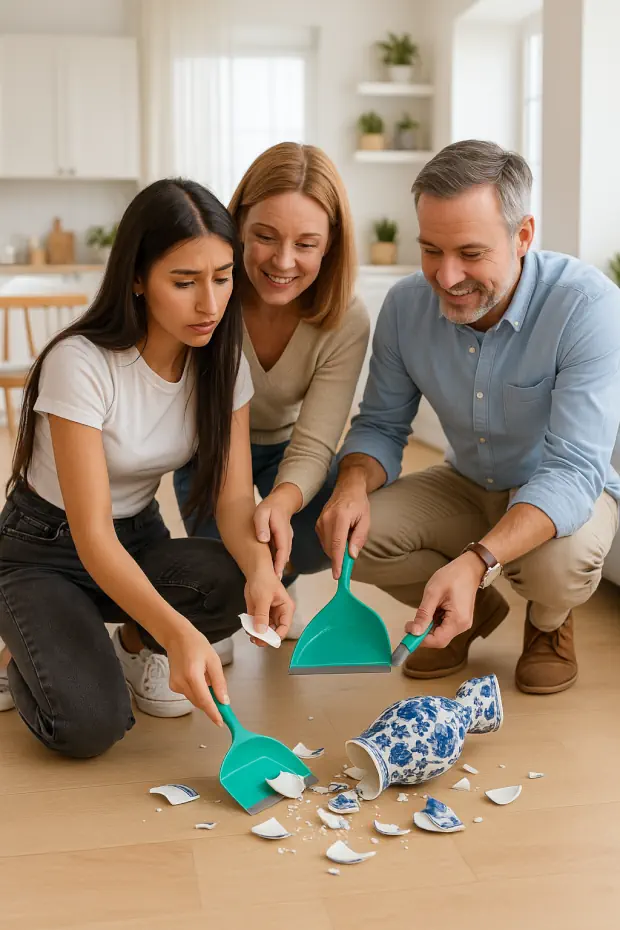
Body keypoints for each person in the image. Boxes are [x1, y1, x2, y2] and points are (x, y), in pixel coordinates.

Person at [0, 179, 293, 755]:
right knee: (87, 727)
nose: (209, 304)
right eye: (184, 283)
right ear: (137, 279)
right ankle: (22, 643)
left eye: (222, 277)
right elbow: (91, 535)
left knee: (233, 581)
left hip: (136, 537)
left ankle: (130, 646)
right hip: (44, 550)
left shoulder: (221, 362)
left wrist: (262, 570)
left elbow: (235, 502)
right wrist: (180, 634)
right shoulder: (80, 363)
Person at [317, 139, 620, 695]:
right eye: (430, 249)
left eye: (471, 253)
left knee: (563, 560)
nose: (446, 275)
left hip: (561, 489)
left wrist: (478, 559)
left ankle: (548, 624)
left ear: (523, 235)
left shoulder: (587, 306)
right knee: (351, 534)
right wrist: (352, 485)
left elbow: (577, 470)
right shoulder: (406, 307)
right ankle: (465, 612)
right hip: (466, 481)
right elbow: (381, 424)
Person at [174, 142, 370, 652]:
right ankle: (237, 593)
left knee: (317, 530)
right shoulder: (209, 291)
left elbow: (314, 442)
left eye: (306, 244)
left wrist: (281, 502)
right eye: (264, 237)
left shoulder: (346, 319)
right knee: (218, 569)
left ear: (331, 245)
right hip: (209, 447)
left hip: (289, 449)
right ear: (236, 224)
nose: (283, 262)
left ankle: (281, 579)